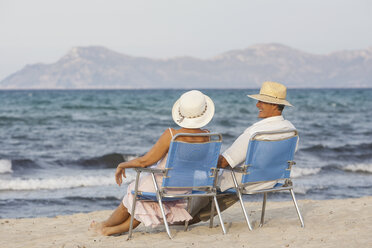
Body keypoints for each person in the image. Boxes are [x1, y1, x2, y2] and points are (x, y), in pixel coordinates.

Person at [90, 90, 215, 236]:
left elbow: (145, 162)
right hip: (183, 188)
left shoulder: (172, 135)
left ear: (182, 112)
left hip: (162, 185)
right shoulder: (207, 136)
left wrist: (122, 165)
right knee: (142, 200)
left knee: (133, 193)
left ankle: (105, 226)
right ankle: (107, 228)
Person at [189, 81, 297, 223]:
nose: (257, 105)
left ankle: (185, 217)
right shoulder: (291, 130)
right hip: (270, 180)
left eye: (262, 102)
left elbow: (224, 162)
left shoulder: (256, 132)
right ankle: (194, 217)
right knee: (222, 183)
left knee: (206, 177)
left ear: (275, 105)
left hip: (247, 182)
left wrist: (200, 153)